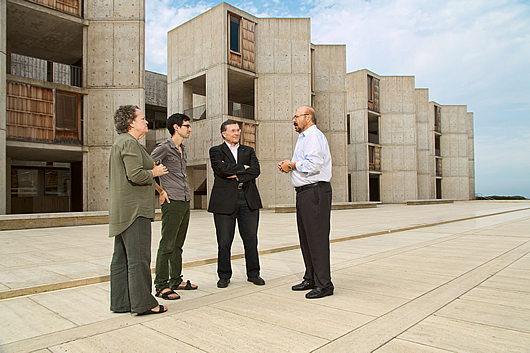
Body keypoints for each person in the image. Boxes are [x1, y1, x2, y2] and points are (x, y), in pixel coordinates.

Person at [109, 105, 169, 315]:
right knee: (138, 258)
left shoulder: (122, 142)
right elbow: (135, 174)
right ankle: (145, 303)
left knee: (122, 258)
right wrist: (155, 171)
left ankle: (122, 302)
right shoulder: (129, 143)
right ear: (131, 122)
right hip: (135, 210)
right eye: (142, 119)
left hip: (123, 209)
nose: (146, 122)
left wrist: (159, 189)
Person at [278, 106, 334, 299]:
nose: (294, 120)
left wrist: (291, 165)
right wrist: (291, 167)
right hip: (305, 193)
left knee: (317, 239)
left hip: (315, 192)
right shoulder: (303, 138)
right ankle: (311, 278)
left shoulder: (314, 136)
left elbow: (313, 165)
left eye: (296, 117)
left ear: (308, 117)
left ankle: (324, 284)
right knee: (306, 238)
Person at [208, 119, 265, 288]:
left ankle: (254, 274)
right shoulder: (216, 151)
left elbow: (256, 170)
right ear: (223, 133)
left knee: (251, 239)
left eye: (238, 130)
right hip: (224, 201)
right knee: (224, 241)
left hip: (248, 199)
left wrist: (236, 173)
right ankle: (224, 275)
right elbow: (220, 170)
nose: (236, 133)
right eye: (232, 130)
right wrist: (243, 168)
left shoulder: (248, 150)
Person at [150, 113, 198, 300]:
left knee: (178, 244)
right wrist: (160, 191)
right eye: (187, 125)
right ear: (176, 127)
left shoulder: (182, 149)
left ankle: (175, 280)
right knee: (167, 244)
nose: (190, 129)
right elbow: (146, 169)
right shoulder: (163, 148)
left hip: (184, 200)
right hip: (172, 203)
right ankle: (161, 286)